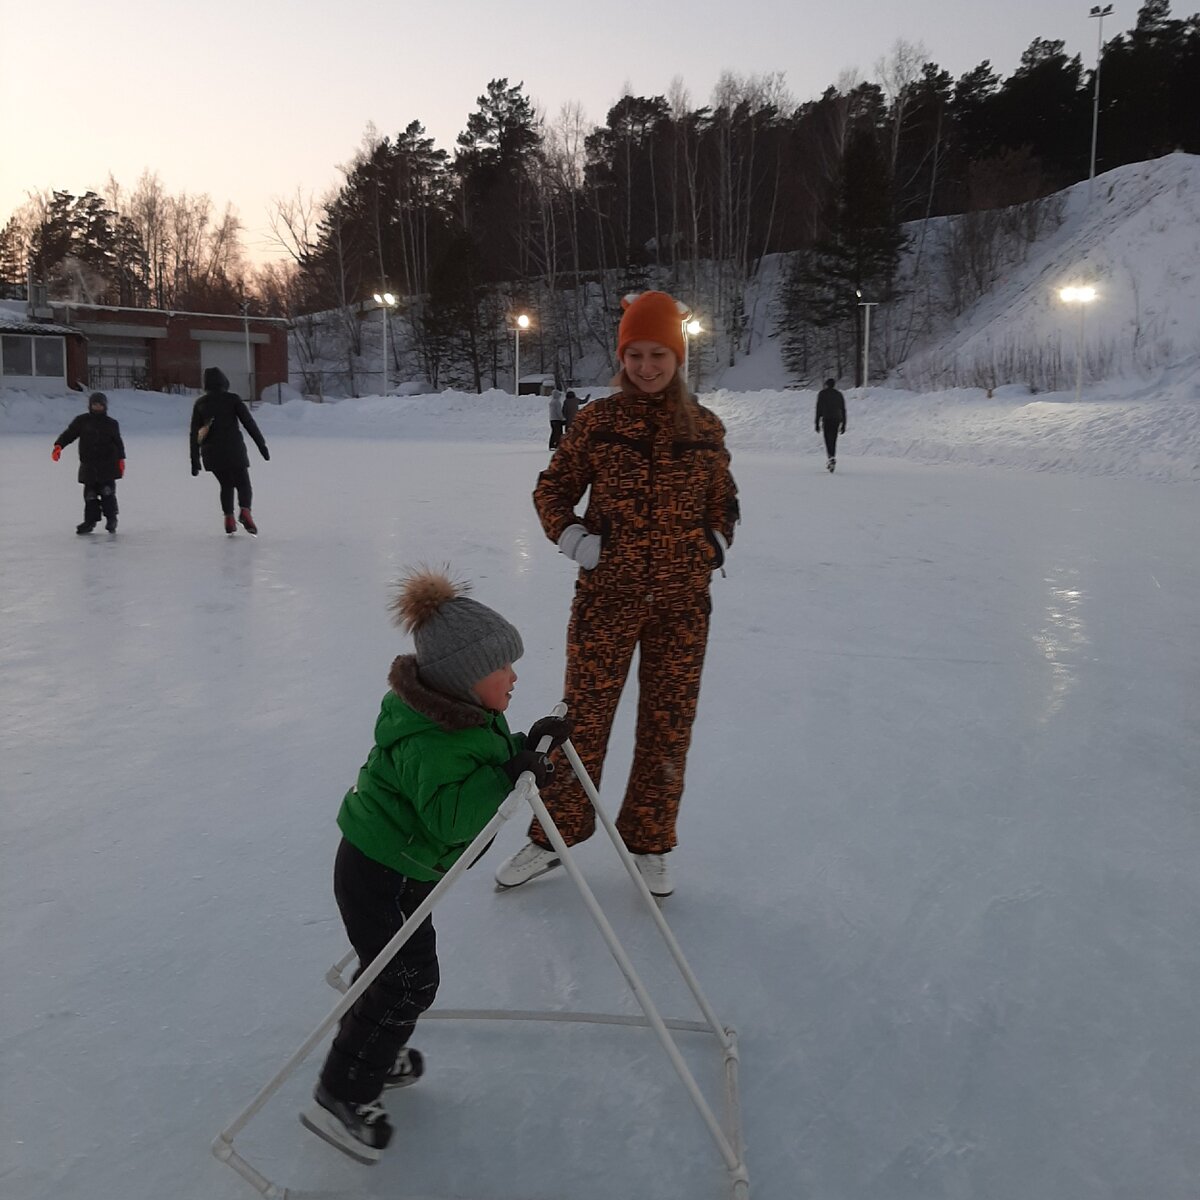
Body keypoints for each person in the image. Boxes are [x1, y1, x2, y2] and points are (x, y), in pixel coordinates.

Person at [302, 568, 571, 1164]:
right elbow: (451, 816)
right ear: (466, 679)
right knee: (405, 981)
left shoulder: (465, 716)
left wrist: (527, 742)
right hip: (380, 872)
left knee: (394, 974)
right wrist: (509, 773)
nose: (515, 677)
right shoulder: (430, 739)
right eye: (505, 669)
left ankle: (375, 1043)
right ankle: (341, 1089)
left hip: (400, 868)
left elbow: (483, 762)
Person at [495, 291, 739, 899]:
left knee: (668, 725)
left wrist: (710, 546)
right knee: (582, 721)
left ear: (677, 356)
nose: (648, 366)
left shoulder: (706, 428)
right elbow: (552, 491)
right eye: (636, 354)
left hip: (683, 609)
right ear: (621, 356)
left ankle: (651, 842)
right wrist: (578, 542)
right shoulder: (598, 423)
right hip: (608, 600)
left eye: (659, 353)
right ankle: (553, 835)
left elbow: (724, 502)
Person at [189, 367, 269, 535]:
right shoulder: (232, 400)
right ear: (224, 382)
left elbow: (195, 434)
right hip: (234, 449)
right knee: (243, 483)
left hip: (212, 454)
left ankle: (229, 519)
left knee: (226, 484)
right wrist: (261, 445)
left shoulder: (200, 404)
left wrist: (194, 460)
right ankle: (245, 511)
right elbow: (249, 423)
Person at [52, 391, 125, 534]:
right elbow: (69, 434)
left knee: (107, 493)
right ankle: (90, 522)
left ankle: (111, 519)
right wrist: (59, 445)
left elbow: (118, 443)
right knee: (90, 496)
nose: (97, 407)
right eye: (94, 404)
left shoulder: (111, 424)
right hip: (89, 466)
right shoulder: (82, 421)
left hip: (107, 466)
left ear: (105, 406)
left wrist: (121, 460)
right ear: (90, 406)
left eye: (100, 405)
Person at [815, 378, 846, 472]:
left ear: (827, 385)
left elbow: (818, 409)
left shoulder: (822, 394)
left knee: (827, 439)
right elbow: (843, 409)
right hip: (836, 419)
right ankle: (832, 456)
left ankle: (830, 457)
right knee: (833, 439)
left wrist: (816, 422)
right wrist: (844, 423)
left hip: (827, 419)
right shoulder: (838, 394)